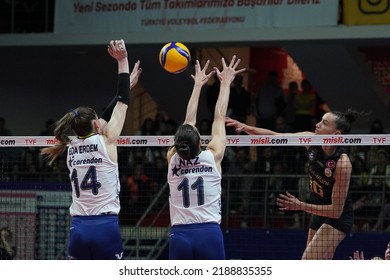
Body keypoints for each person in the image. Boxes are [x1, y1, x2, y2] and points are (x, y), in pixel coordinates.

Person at [40, 39, 142, 260]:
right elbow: (121, 105)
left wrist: (126, 88)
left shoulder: (70, 146)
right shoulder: (107, 141)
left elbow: (108, 112)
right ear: (97, 125)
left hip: (79, 229)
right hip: (106, 226)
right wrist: (122, 60)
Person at [226, 108, 363, 259]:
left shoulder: (343, 163)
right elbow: (275, 136)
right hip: (318, 213)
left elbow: (336, 211)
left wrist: (300, 206)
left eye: (324, 123)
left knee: (307, 261)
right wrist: (246, 127)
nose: (317, 124)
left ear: (336, 135)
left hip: (338, 218)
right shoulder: (310, 140)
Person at [167, 56, 245, 260]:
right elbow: (219, 117)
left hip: (180, 234)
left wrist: (197, 86)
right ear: (201, 142)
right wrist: (226, 83)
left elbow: (188, 122)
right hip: (209, 234)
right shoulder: (213, 157)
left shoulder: (172, 157)